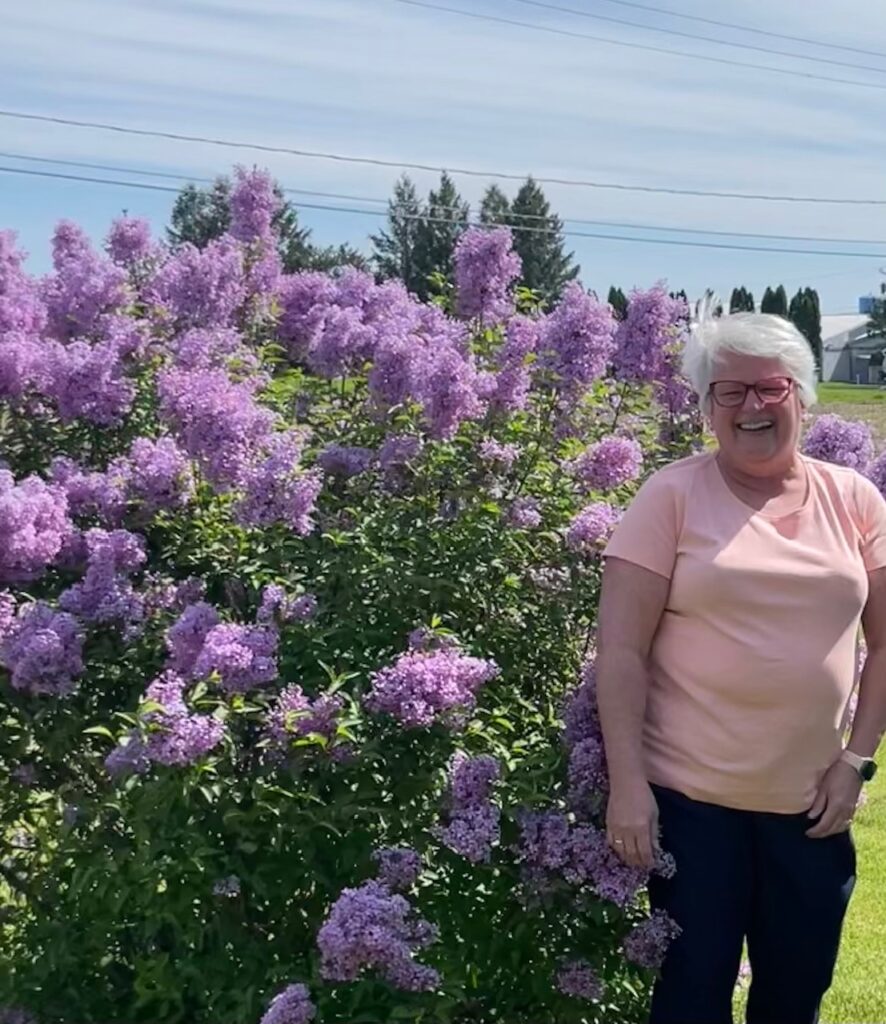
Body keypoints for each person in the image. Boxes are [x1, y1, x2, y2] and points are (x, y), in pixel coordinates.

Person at [595, 308, 886, 1024]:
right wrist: (628, 785)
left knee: (795, 995)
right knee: (692, 996)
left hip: (812, 809)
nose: (752, 406)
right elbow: (622, 653)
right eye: (729, 391)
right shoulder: (670, 496)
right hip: (693, 808)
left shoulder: (854, 500)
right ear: (706, 408)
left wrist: (855, 762)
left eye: (771, 388)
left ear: (802, 397)